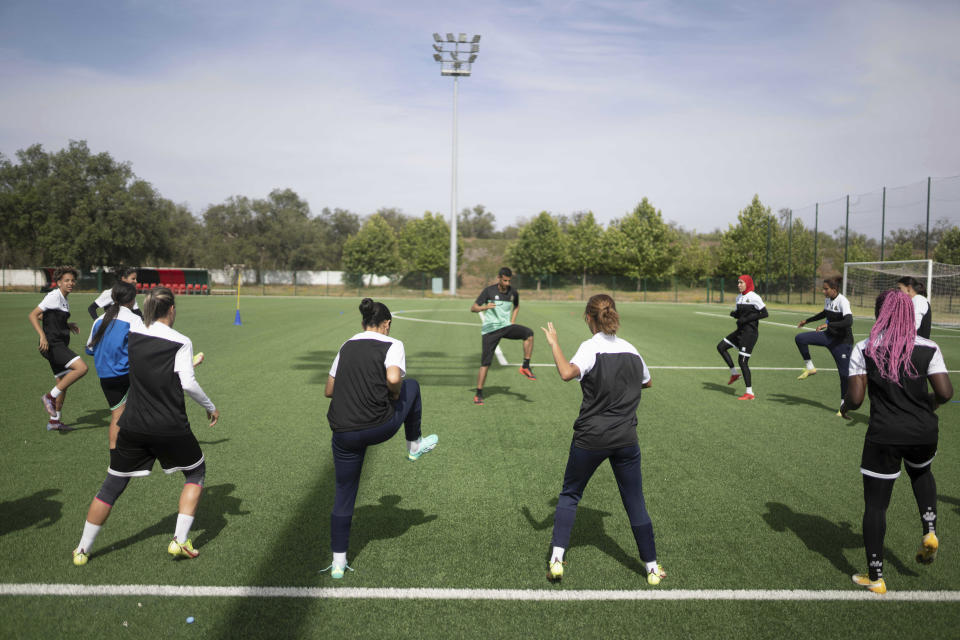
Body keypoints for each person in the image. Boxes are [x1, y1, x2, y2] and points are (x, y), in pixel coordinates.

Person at [71, 287, 219, 566]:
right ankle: (180, 541)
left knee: (112, 484)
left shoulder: (135, 333)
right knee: (195, 472)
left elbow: (149, 370)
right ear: (171, 309)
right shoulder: (181, 341)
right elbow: (186, 383)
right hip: (170, 425)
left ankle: (81, 549)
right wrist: (210, 407)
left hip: (133, 424)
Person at [540, 294, 665, 586]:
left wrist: (554, 343)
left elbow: (566, 373)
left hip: (591, 437)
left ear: (588, 318)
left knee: (571, 494)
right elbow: (647, 381)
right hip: (626, 438)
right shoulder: (632, 350)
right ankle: (652, 567)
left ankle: (557, 560)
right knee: (635, 501)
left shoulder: (589, 348)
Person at [842, 290, 953, 594]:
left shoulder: (865, 347)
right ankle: (929, 531)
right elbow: (945, 393)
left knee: (876, 506)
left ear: (880, 313)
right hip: (923, 433)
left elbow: (855, 398)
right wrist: (925, 405)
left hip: (884, 435)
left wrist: (843, 408)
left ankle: (876, 577)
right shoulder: (928, 347)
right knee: (922, 472)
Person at [323, 298, 438, 579]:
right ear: (386, 324)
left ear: (363, 323)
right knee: (412, 385)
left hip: (343, 431)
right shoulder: (392, 343)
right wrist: (394, 394)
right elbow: (394, 377)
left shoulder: (346, 345)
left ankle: (338, 563)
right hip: (378, 426)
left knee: (344, 494)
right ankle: (414, 445)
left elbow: (328, 390)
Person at [28, 266, 89, 431]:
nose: (70, 283)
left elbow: (45, 316)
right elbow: (33, 315)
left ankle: (54, 421)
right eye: (66, 280)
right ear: (59, 282)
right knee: (82, 368)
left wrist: (66, 325)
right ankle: (49, 397)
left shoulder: (63, 298)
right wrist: (42, 336)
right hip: (53, 344)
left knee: (63, 382)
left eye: (72, 280)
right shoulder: (54, 296)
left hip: (59, 343)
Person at [85, 281, 144, 449]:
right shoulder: (134, 319)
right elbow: (143, 349)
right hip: (126, 375)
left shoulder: (99, 320)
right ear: (132, 300)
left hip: (105, 377)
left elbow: (89, 349)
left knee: (117, 415)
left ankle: (115, 456)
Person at [470, 267, 536, 405]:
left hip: (506, 327)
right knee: (485, 363)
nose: (507, 283)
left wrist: (512, 320)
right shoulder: (489, 291)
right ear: (499, 278)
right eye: (505, 280)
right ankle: (479, 393)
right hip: (490, 330)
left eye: (509, 281)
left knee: (529, 334)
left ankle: (525, 366)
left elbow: (517, 306)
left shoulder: (513, 292)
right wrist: (485, 307)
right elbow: (473, 308)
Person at [794, 276, 855, 416]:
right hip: (828, 337)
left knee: (844, 375)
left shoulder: (843, 301)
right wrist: (807, 320)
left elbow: (848, 321)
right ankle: (810, 367)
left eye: (826, 289)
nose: (823, 291)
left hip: (842, 342)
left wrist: (828, 324)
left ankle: (843, 406)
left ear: (834, 289)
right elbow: (824, 313)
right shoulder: (828, 299)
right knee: (800, 338)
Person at [716, 275, 768, 400]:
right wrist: (735, 314)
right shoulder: (738, 297)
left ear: (748, 283)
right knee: (721, 347)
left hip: (750, 333)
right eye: (738, 283)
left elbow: (764, 313)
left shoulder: (754, 297)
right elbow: (739, 315)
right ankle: (734, 374)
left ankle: (749, 393)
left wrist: (747, 319)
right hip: (740, 331)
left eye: (741, 283)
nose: (738, 285)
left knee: (742, 361)